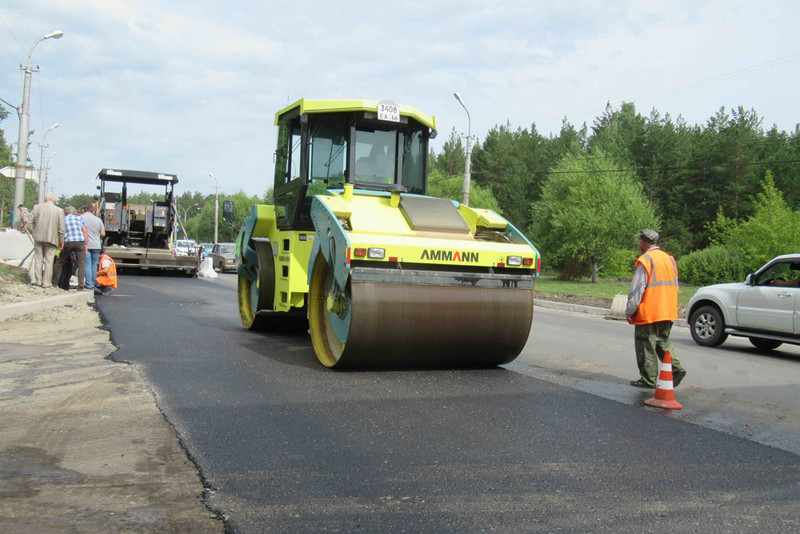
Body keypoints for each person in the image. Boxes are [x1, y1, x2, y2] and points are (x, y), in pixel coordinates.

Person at [625, 229, 686, 388]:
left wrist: (629, 311)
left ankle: (648, 380)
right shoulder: (669, 259)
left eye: (639, 241)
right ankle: (676, 368)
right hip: (667, 310)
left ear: (643, 242)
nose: (639, 243)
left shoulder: (646, 260)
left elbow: (637, 289)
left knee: (646, 345)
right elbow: (675, 286)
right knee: (662, 342)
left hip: (650, 311)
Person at [30, 192, 65, 288]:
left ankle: (38, 281)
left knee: (38, 259)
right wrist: (61, 241)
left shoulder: (36, 207)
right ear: (54, 200)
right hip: (52, 239)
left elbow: (29, 221)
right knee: (49, 261)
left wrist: (34, 232)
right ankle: (46, 283)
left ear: (45, 199)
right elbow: (61, 229)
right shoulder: (59, 211)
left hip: (38, 237)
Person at [53, 206, 88, 291]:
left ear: (66, 213)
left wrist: (59, 248)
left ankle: (54, 283)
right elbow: (85, 231)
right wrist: (86, 244)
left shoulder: (63, 219)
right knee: (81, 264)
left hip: (68, 241)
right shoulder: (79, 218)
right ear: (75, 212)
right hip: (80, 241)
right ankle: (81, 286)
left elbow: (60, 232)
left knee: (59, 262)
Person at [81, 204, 106, 291]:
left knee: (87, 264)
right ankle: (92, 282)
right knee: (94, 264)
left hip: (86, 244)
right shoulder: (98, 220)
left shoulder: (81, 218)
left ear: (83, 210)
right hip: (96, 245)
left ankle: (88, 284)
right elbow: (103, 234)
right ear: (92, 211)